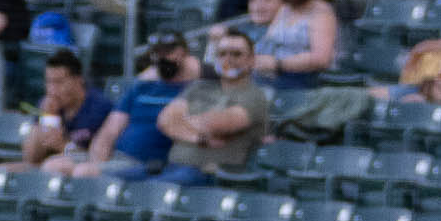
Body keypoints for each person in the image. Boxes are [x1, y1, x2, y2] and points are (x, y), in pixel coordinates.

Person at [47, 29, 196, 179]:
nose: (162, 58)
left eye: (168, 52)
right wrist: (97, 161)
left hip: (147, 165)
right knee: (53, 166)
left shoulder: (191, 91)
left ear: (183, 54)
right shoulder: (141, 87)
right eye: (158, 52)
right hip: (117, 157)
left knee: (83, 173)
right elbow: (110, 130)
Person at [155, 29, 270, 185]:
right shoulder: (199, 87)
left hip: (207, 174)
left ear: (251, 60)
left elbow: (214, 125)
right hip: (170, 166)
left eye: (236, 54)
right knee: (113, 180)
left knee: (145, 193)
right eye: (222, 54)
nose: (228, 59)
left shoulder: (255, 95)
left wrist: (182, 120)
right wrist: (199, 138)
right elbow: (164, 121)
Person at [19, 47, 123, 170]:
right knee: (4, 170)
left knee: (54, 166)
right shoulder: (47, 104)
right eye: (49, 82)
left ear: (78, 80)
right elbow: (30, 159)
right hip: (48, 168)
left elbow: (97, 158)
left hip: (84, 173)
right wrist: (47, 117)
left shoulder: (99, 107)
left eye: (58, 82)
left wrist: (64, 146)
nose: (52, 90)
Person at [252, 0, 339, 95]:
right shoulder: (287, 8)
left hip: (303, 77)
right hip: (270, 72)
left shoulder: (322, 13)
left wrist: (279, 64)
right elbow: (269, 39)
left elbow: (321, 59)